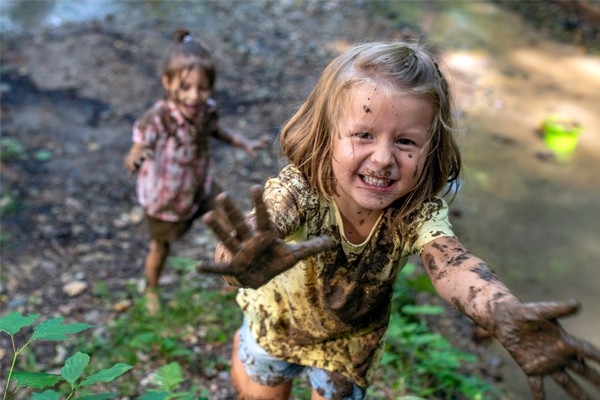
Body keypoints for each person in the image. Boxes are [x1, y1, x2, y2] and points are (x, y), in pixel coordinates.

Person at [198, 41, 600, 399]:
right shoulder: (301, 189)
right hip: (277, 321)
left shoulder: (413, 212)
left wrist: (501, 311)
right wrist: (241, 263)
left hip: (350, 343)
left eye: (405, 141)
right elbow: (244, 241)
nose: (384, 159)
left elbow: (453, 266)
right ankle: (243, 347)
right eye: (364, 135)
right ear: (326, 135)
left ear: (431, 150)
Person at [123, 30, 266, 314]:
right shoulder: (158, 119)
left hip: (201, 185)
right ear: (167, 83)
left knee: (230, 224)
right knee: (161, 246)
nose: (194, 96)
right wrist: (136, 157)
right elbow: (136, 147)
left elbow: (215, 130)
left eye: (202, 88)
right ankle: (152, 287)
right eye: (185, 87)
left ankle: (232, 272)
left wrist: (243, 142)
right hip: (167, 198)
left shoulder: (206, 109)